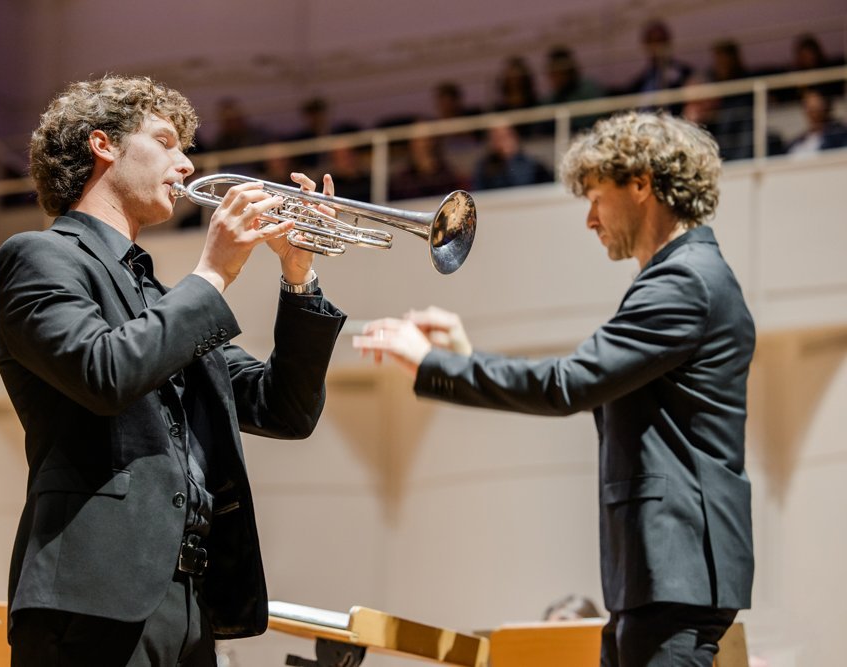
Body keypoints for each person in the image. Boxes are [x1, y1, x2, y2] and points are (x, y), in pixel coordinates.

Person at [354, 111, 754, 667]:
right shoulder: (687, 276)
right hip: (662, 574)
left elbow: (569, 385)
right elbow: (594, 388)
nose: (590, 219)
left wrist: (433, 365)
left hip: (674, 569)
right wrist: (463, 358)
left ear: (641, 183)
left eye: (595, 196)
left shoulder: (683, 282)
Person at [0, 74, 347, 667]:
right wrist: (214, 273)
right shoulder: (38, 257)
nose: (186, 165)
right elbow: (104, 373)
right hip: (90, 599)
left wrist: (299, 276)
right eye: (167, 143)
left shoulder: (161, 299)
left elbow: (283, 410)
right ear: (103, 145)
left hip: (188, 602)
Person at [471, 123, 551, 191]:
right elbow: (479, 192)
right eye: (498, 137)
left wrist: (511, 159)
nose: (504, 141)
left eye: (507, 135)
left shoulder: (531, 163)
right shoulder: (484, 167)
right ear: (491, 141)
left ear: (515, 137)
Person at [785, 87, 847, 155]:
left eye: (816, 108)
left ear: (826, 107)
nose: (813, 113)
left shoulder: (837, 134)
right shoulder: (799, 140)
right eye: (809, 108)